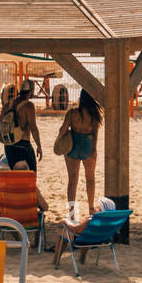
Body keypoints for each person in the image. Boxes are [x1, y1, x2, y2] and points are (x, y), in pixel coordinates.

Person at [57, 90, 101, 219]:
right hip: (88, 145)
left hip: (73, 145)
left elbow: (62, 130)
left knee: (72, 180)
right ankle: (91, 208)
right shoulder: (94, 115)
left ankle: (71, 212)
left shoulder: (72, 113)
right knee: (90, 178)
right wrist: (94, 149)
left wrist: (59, 141)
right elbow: (95, 135)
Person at [0, 79, 42, 171]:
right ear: (31, 91)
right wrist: (39, 146)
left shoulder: (7, 105)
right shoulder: (29, 106)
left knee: (16, 177)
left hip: (9, 146)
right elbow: (33, 128)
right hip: (23, 146)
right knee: (31, 177)